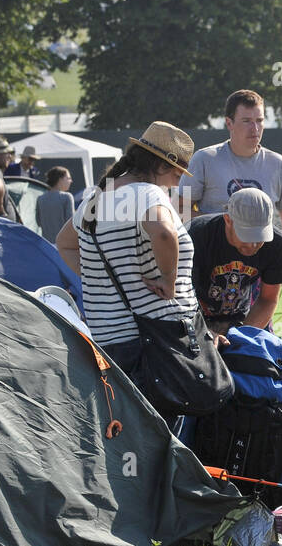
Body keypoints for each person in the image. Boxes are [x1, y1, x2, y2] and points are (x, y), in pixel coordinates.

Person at [54, 122, 199, 372]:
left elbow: (64, 244)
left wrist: (99, 278)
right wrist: (168, 279)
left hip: (108, 339)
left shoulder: (94, 200)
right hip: (155, 338)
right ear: (161, 165)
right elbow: (164, 233)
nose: (176, 184)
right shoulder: (148, 193)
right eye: (176, 174)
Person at [184, 89, 282, 314]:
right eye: (247, 121)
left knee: (253, 340)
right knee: (207, 343)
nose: (255, 128)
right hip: (209, 271)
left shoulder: (278, 164)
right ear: (229, 123)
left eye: (260, 120)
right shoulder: (205, 159)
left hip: (258, 274)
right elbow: (176, 212)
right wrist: (223, 222)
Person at [189, 187, 282, 336]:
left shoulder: (277, 244)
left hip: (240, 316)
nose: (253, 245)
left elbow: (268, 299)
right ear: (228, 220)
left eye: (259, 237)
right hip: (194, 315)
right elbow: (179, 295)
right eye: (247, 235)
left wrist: (240, 337)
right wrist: (205, 334)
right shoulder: (197, 234)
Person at [36, 166, 75, 244]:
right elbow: (72, 224)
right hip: (64, 245)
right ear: (60, 179)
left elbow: (38, 222)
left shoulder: (40, 198)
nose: (71, 181)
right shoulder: (67, 197)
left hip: (47, 246)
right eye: (68, 178)